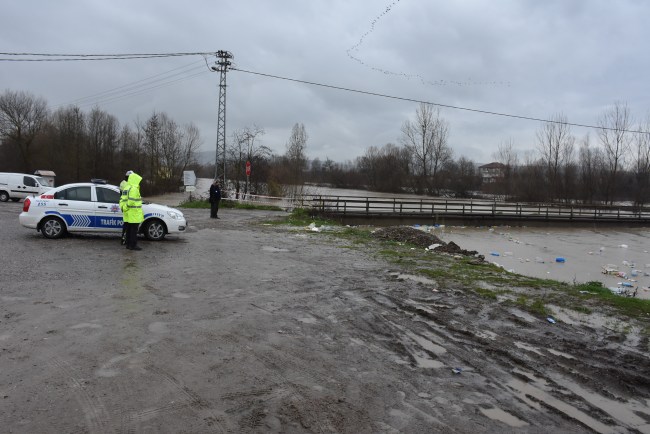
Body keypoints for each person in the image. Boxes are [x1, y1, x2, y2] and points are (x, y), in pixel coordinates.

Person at [120, 171, 144, 251]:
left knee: (129, 229)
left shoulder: (127, 187)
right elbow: (131, 201)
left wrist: (123, 208)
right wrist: (126, 207)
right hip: (134, 213)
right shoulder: (134, 188)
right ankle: (133, 245)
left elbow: (122, 199)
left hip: (129, 213)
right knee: (133, 231)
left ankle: (128, 244)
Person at [119, 170, 133, 245]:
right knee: (128, 225)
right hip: (127, 206)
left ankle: (124, 239)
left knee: (126, 224)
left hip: (124, 205)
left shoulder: (122, 183)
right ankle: (125, 240)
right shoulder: (128, 184)